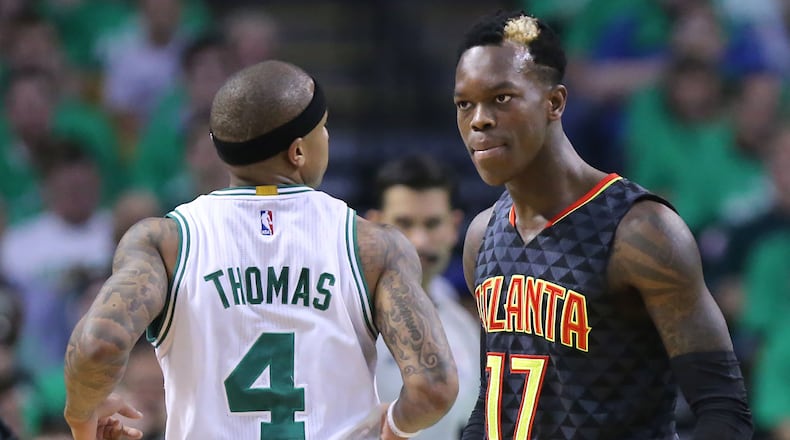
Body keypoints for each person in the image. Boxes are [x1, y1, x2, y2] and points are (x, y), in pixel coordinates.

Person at [63, 59, 458, 440]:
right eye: (323, 127)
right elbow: (434, 387)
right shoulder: (372, 245)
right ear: (298, 152)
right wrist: (397, 425)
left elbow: (99, 344)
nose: (329, 137)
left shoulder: (164, 241)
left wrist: (82, 414)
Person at [452, 10, 752, 439]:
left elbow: (724, 410)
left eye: (501, 98)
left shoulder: (640, 230)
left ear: (554, 102)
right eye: (465, 103)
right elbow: (497, 402)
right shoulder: (482, 236)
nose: (478, 119)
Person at [367, 154, 479, 439]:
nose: (418, 241)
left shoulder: (465, 329)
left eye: (432, 224)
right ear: (374, 225)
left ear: (454, 227)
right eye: (404, 223)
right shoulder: (352, 319)